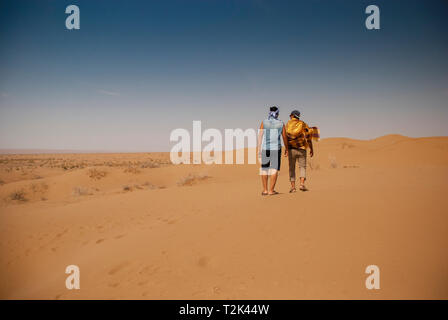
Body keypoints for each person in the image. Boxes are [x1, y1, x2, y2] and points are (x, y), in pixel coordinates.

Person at [257, 106, 288, 196]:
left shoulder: (264, 122)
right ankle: (271, 190)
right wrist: (287, 148)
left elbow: (260, 135)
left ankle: (265, 190)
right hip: (276, 149)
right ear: (277, 113)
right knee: (274, 169)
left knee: (264, 169)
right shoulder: (281, 123)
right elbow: (284, 137)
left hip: (265, 148)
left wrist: (258, 148)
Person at [285, 110, 314, 192]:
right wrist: (311, 148)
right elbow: (308, 137)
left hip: (291, 149)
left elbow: (285, 137)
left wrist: (286, 149)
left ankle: (293, 187)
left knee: (291, 168)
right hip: (302, 149)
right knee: (302, 167)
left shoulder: (288, 124)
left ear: (292, 116)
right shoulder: (303, 124)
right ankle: (302, 185)